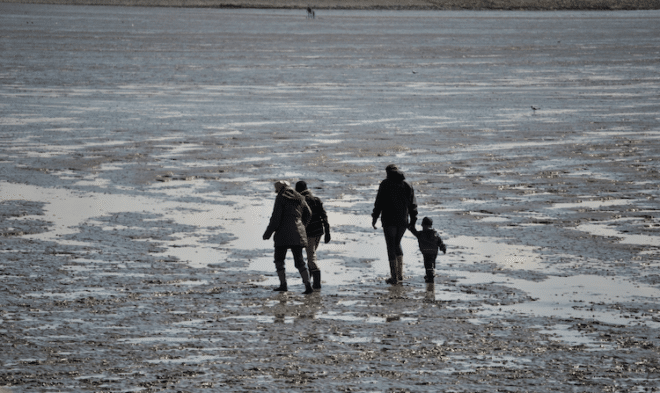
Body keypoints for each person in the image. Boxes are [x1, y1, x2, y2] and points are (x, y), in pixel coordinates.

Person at [263, 180, 314, 294]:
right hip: (298, 233)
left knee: (279, 260)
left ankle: (283, 285)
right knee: (300, 262)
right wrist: (302, 225)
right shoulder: (300, 197)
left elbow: (275, 218)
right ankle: (308, 286)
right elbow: (308, 213)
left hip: (282, 234)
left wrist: (268, 233)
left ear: (279, 189)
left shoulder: (281, 197)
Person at [371, 164, 418, 285]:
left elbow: (379, 202)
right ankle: (400, 274)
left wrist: (375, 217)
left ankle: (394, 277)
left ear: (387, 172)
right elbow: (413, 205)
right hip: (403, 221)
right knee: (397, 244)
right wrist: (413, 221)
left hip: (389, 220)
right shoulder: (407, 184)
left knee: (390, 246)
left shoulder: (385, 184)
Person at [295, 181, 331, 290]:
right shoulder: (316, 200)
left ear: (298, 190)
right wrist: (327, 231)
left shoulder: (301, 201)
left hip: (309, 233)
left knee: (311, 257)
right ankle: (310, 282)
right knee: (311, 254)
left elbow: (299, 219)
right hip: (319, 232)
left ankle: (316, 284)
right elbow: (324, 216)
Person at [409, 217, 447, 283]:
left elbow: (414, 231)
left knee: (427, 264)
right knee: (431, 262)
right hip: (433, 252)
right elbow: (440, 241)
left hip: (426, 251)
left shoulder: (421, 234)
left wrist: (409, 226)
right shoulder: (435, 234)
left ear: (422, 225)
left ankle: (430, 275)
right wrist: (442, 247)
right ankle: (431, 272)